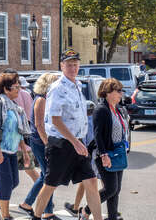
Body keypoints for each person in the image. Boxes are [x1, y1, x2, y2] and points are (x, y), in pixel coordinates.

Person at [31, 49, 104, 220]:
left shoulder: (78, 86)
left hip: (78, 142)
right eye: (69, 64)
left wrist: (80, 141)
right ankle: (35, 217)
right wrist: (75, 142)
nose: (72, 68)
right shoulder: (57, 88)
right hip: (61, 144)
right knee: (50, 184)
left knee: (91, 182)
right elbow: (55, 120)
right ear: (62, 66)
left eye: (75, 64)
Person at [0, 71, 32, 220]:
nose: (18, 90)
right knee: (6, 183)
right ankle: (5, 215)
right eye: (15, 87)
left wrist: (25, 151)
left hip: (11, 148)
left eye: (18, 86)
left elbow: (19, 130)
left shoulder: (13, 105)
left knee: (14, 182)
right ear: (6, 89)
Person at [78, 79, 129, 220]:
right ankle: (86, 210)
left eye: (121, 90)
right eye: (118, 91)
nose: (121, 93)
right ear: (107, 93)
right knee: (110, 188)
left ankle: (112, 217)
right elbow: (98, 134)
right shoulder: (101, 110)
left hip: (118, 153)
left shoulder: (117, 109)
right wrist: (104, 154)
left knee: (116, 189)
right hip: (105, 154)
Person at [19, 72, 60, 219]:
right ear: (48, 85)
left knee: (45, 176)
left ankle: (28, 204)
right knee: (48, 177)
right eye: (55, 83)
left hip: (42, 142)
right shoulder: (41, 100)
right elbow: (39, 125)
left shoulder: (46, 99)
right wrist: (48, 144)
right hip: (39, 142)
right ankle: (47, 212)